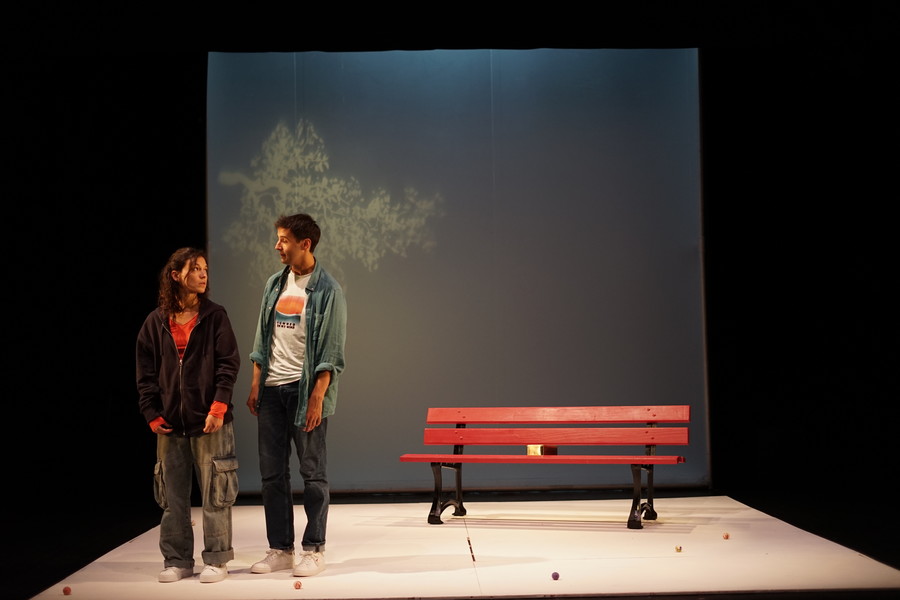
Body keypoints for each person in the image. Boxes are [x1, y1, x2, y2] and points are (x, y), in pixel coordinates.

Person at [247, 213, 347, 578]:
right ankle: (280, 549)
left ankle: (314, 549)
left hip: (304, 392)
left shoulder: (328, 290)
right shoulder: (275, 284)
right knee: (272, 475)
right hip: (272, 390)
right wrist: (256, 382)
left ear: (305, 244)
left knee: (313, 474)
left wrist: (318, 396)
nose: (277, 246)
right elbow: (263, 338)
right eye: (278, 239)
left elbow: (331, 352)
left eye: (284, 240)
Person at [136, 247, 241, 584]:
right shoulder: (155, 322)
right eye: (195, 268)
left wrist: (218, 407)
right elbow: (145, 375)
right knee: (172, 498)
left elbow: (228, 364)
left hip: (210, 421)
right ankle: (178, 559)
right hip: (170, 425)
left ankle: (217, 559)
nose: (203, 274)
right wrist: (152, 414)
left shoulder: (215, 316)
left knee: (216, 493)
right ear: (175, 275)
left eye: (205, 268)